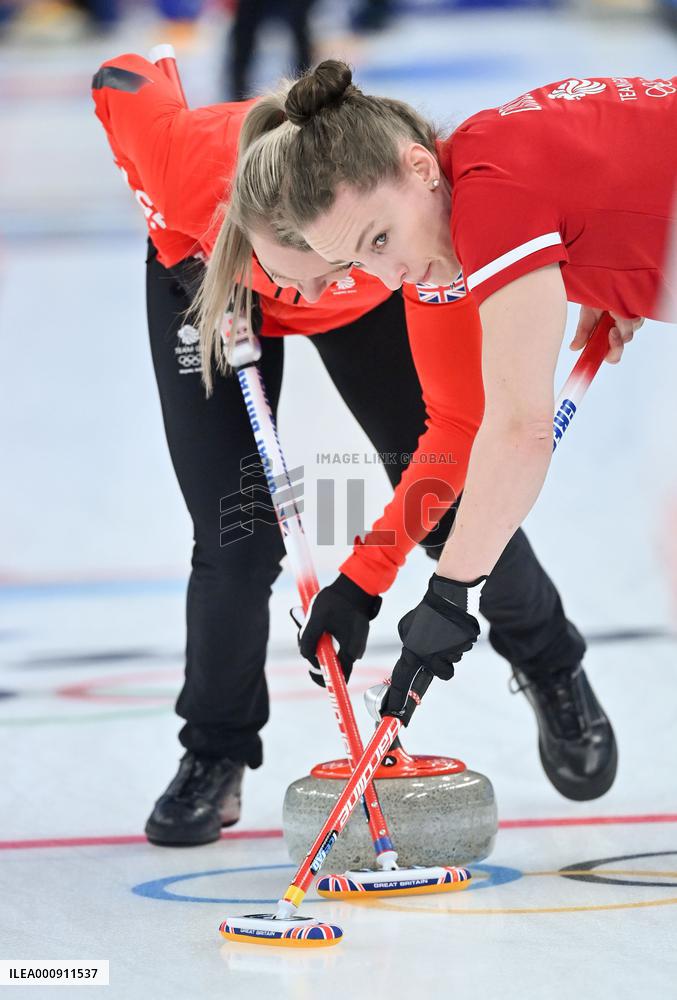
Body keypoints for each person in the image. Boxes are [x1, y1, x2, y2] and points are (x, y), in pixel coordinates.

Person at [92, 54, 612, 848]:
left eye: (335, 268)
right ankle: (214, 751)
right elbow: (122, 79)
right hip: (207, 282)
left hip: (374, 308)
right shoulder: (187, 165)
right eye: (299, 277)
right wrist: (176, 237)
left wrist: (364, 582)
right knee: (235, 534)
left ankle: (547, 658)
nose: (306, 296)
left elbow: (460, 439)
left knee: (448, 496)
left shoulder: (383, 242)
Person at [259, 60, 674, 724]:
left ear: (420, 167)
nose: (389, 277)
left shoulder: (490, 204)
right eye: (360, 263)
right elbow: (456, 428)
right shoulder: (463, 189)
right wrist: (364, 580)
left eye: (380, 239)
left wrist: (450, 593)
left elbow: (518, 433)